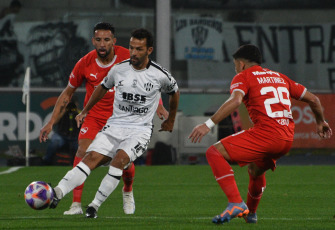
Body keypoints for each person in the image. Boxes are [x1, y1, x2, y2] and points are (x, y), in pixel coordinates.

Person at [189, 44, 332, 224]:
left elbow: (235, 100)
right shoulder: (280, 77)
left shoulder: (243, 76)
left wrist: (208, 124)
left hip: (266, 135)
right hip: (286, 139)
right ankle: (251, 214)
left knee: (214, 152)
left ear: (241, 64)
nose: (235, 69)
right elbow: (314, 99)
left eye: (235, 65)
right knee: (255, 170)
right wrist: (320, 122)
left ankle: (235, 202)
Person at [48, 28, 180, 218]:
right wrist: (85, 111)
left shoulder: (160, 74)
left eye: (139, 49)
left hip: (139, 131)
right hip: (114, 125)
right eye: (132, 48)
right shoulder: (119, 69)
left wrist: (171, 119)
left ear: (149, 50)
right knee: (89, 158)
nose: (134, 53)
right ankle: (58, 192)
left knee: (118, 161)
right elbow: (102, 88)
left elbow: (174, 92)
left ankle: (94, 206)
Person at [43, 96, 80, 165]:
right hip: (61, 135)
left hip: (74, 137)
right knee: (55, 142)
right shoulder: (61, 112)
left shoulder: (78, 112)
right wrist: (64, 110)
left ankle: (79, 164)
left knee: (80, 147)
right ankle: (46, 161)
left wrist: (76, 110)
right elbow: (55, 122)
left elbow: (83, 122)